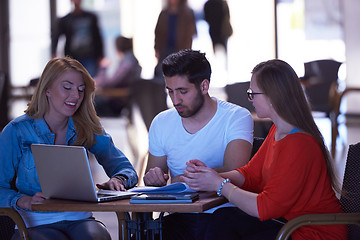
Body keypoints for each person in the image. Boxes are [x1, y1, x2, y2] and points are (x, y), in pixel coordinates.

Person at [182, 59, 348, 240]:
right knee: (221, 220)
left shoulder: (299, 143)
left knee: (223, 224)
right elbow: (251, 175)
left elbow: (265, 207)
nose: (250, 99)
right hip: (290, 225)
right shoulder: (278, 131)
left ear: (272, 96)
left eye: (253, 93)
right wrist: (208, 177)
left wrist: (218, 185)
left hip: (311, 233)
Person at [0, 57, 138, 240]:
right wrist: (22, 200)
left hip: (80, 219)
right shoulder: (17, 131)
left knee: (97, 237)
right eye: (67, 87)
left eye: (81, 90)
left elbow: (126, 168)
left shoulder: (86, 126)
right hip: (34, 221)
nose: (76, 96)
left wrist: (119, 179)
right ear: (47, 89)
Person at [143, 49, 253, 239]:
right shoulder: (161, 122)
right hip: (181, 216)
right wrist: (154, 178)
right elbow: (152, 180)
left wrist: (183, 180)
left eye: (182, 91)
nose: (175, 100)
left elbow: (237, 172)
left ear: (204, 86)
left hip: (226, 215)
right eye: (170, 91)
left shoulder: (236, 117)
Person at [51, 0, 104, 77]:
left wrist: (101, 56)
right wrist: (54, 54)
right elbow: (56, 37)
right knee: (74, 79)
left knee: (90, 80)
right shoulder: (65, 20)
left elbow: (98, 37)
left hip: (90, 56)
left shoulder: (91, 17)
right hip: (73, 57)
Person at [94, 36, 142, 117]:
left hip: (116, 102)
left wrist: (103, 68)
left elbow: (109, 83)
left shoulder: (127, 64)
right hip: (119, 99)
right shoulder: (130, 61)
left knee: (88, 106)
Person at [153, 0, 197, 84]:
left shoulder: (187, 14)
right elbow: (158, 33)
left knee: (180, 75)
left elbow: (190, 34)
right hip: (165, 49)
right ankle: (160, 95)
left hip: (180, 49)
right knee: (160, 73)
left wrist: (186, 51)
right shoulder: (164, 13)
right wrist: (156, 48)